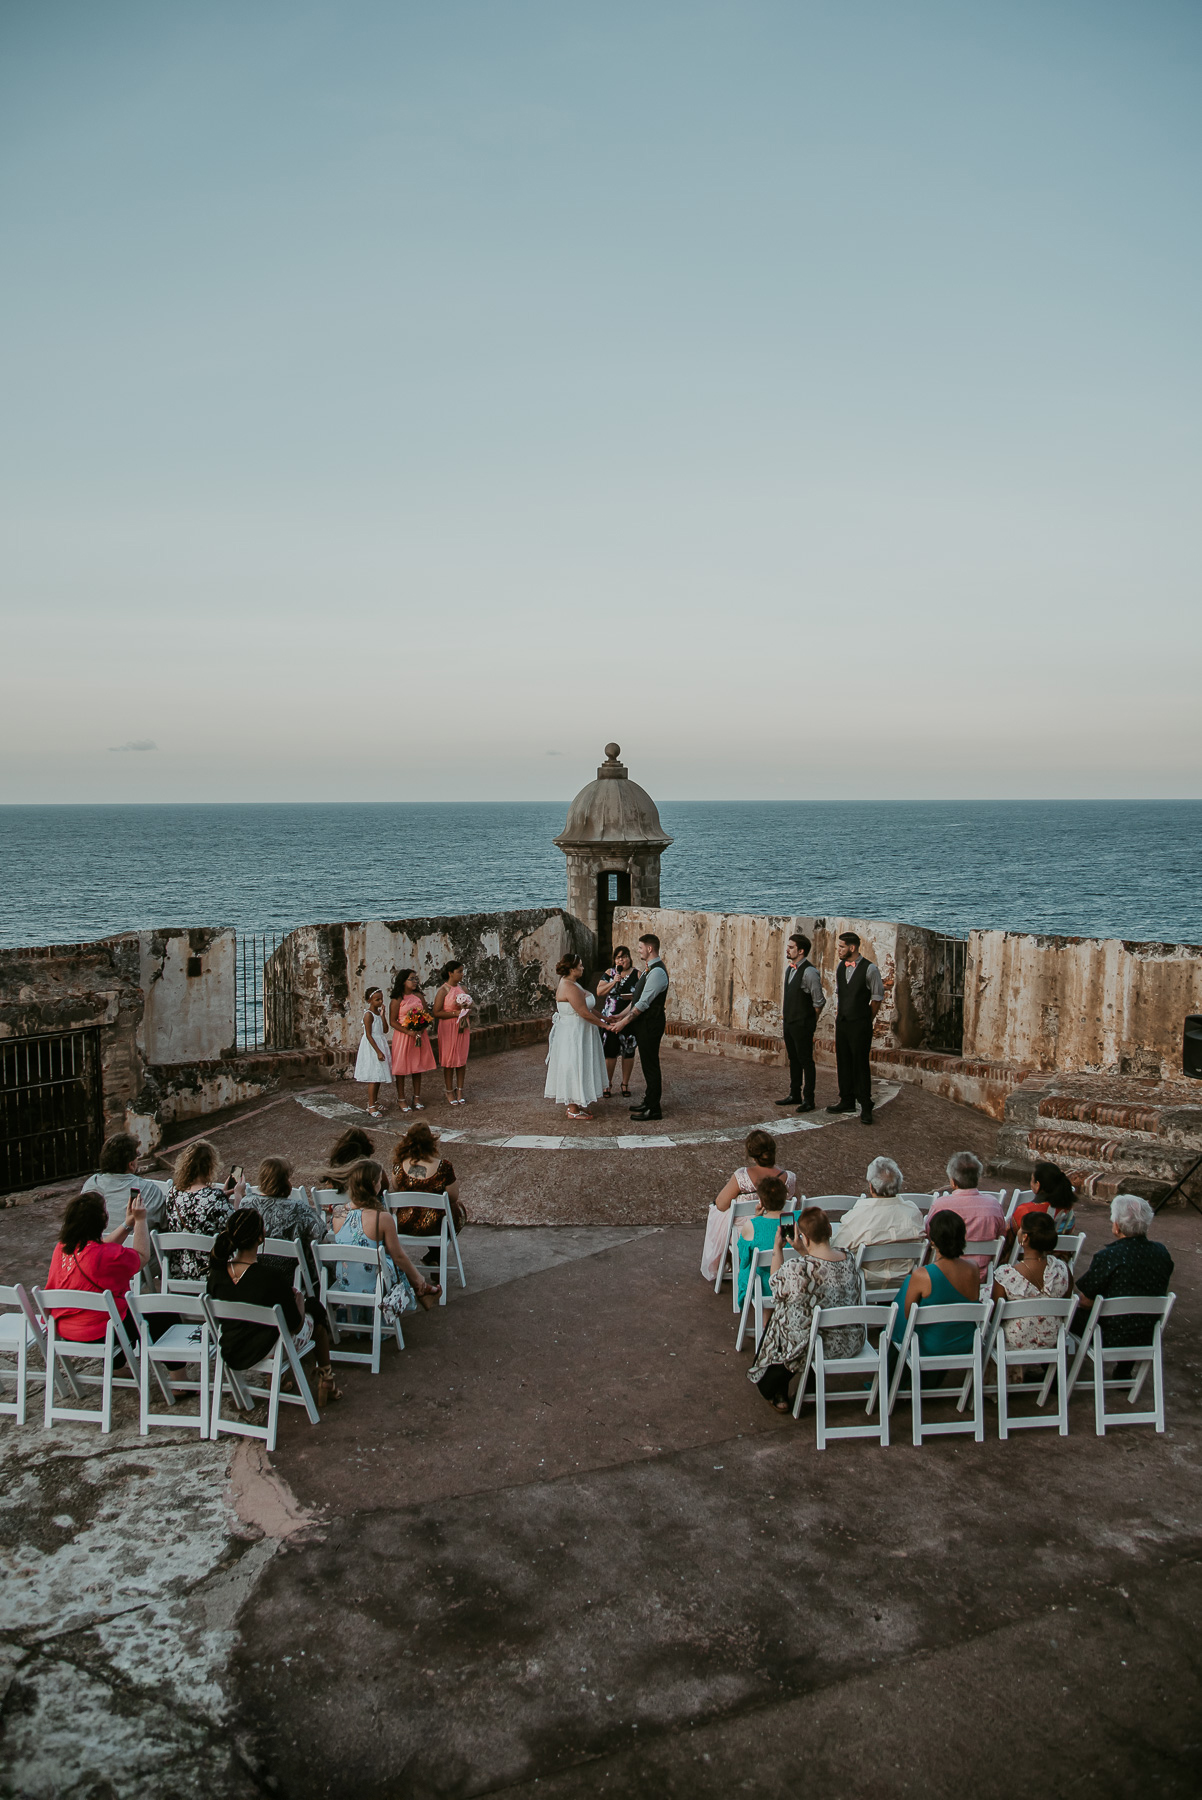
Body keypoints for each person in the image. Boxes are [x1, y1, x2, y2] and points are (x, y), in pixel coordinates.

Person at [206, 1208, 342, 1408]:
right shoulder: (269, 1277)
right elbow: (295, 1325)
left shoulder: (216, 1275)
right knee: (315, 1311)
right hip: (265, 1349)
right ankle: (327, 1380)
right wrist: (299, 1303)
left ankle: (279, 1380)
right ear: (261, 1238)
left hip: (232, 1348)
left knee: (282, 1318)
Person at [747, 1206, 864, 1412]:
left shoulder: (798, 1269)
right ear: (829, 1230)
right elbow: (822, 1266)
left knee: (782, 1311)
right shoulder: (849, 1258)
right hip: (851, 1340)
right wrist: (804, 1250)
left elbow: (775, 1287)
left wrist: (778, 1248)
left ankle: (777, 1389)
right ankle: (807, 1385)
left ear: (805, 1238)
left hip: (818, 1346)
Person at [44, 1189, 151, 1364]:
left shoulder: (62, 1248)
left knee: (123, 1314)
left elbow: (97, 1252)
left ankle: (118, 1367)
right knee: (163, 1318)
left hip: (65, 1330)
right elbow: (141, 1257)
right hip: (100, 1332)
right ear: (101, 1220)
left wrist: (127, 1224)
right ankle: (179, 1381)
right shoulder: (104, 1256)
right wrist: (140, 1220)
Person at [1074, 1195, 1174, 1379]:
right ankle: (1123, 1371)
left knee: (1068, 1312)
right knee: (1134, 1307)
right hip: (1146, 1333)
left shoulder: (1108, 1256)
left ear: (1117, 1226)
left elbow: (1086, 1302)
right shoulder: (1161, 1253)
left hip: (1107, 1335)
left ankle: (1058, 1375)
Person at [330, 1159, 441, 1314]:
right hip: (374, 1284)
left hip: (346, 1280)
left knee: (384, 1256)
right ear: (374, 1185)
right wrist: (418, 1278)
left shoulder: (338, 1212)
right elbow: (399, 1257)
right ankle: (421, 1287)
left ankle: (422, 1289)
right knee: (393, 1259)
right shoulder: (381, 1217)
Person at [890, 1207, 981, 1373]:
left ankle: (892, 1369)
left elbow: (908, 1315)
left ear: (933, 1240)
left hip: (932, 1345)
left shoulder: (923, 1275)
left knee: (907, 1290)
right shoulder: (974, 1268)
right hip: (964, 1342)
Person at [701, 1130, 799, 1283]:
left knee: (716, 1211)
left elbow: (721, 1204)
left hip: (748, 1231)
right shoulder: (789, 1178)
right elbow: (796, 1204)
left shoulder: (742, 1176)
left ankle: (728, 1261)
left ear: (752, 1155)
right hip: (781, 1231)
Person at [992, 1211, 1073, 1369]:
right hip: (1052, 1339)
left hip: (1013, 1342)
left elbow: (994, 1316)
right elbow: (1066, 1302)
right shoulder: (1062, 1270)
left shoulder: (1006, 1276)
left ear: (1025, 1238)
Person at [832, 1157, 926, 1290]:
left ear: (871, 1187)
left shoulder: (858, 1216)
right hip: (905, 1284)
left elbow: (836, 1248)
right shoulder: (913, 1213)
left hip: (866, 1284)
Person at [609, 933, 670, 1121]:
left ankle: (654, 1109)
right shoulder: (649, 969)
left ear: (650, 949)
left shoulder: (658, 972)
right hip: (644, 1023)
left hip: (651, 1024)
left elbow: (643, 1003)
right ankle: (649, 1101)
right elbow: (637, 999)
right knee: (646, 1063)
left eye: (640, 947)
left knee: (651, 1065)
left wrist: (623, 1022)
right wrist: (619, 1015)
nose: (638, 950)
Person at [164, 1140, 245, 1283]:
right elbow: (237, 1227)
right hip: (209, 1273)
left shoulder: (172, 1193)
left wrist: (221, 1195)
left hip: (180, 1271)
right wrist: (238, 1195)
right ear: (210, 1167)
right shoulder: (214, 1198)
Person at [825, 931, 884, 1125]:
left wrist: (866, 1019)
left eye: (841, 947)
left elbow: (877, 998)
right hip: (843, 1022)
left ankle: (866, 1104)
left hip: (860, 1024)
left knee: (860, 1064)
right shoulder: (841, 967)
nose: (838, 950)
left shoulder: (870, 969)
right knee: (843, 1061)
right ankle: (847, 1100)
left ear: (852, 947)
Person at [544, 952, 606, 1121]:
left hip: (580, 1031)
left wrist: (605, 1018)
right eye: (580, 966)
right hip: (574, 1034)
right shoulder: (569, 987)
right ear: (572, 969)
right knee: (573, 1064)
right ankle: (572, 1108)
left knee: (580, 1063)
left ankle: (576, 1104)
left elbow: (589, 1008)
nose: (583, 968)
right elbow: (584, 1012)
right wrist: (605, 1026)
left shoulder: (573, 983)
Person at [390, 1123, 466, 1258]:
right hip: (434, 1226)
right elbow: (453, 1196)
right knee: (458, 1208)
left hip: (404, 1224)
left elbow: (396, 1188)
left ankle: (434, 1257)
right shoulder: (443, 1167)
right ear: (431, 1141)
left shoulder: (398, 1167)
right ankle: (435, 1256)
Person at [252, 1156, 331, 1283]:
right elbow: (321, 1237)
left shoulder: (247, 1203)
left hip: (257, 1270)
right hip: (292, 1277)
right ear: (285, 1181)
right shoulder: (298, 1208)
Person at [926, 1152, 1007, 1273]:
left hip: (946, 1275)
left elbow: (929, 1235)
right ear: (978, 1178)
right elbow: (1001, 1235)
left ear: (953, 1182)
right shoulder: (993, 1205)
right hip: (982, 1276)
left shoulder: (941, 1205)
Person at [776, 933, 825, 1113]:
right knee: (793, 1059)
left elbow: (818, 1001)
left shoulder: (809, 972)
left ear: (801, 951)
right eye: (788, 947)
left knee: (806, 1061)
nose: (787, 950)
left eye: (791, 947)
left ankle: (809, 1099)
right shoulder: (791, 968)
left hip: (802, 1023)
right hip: (789, 1022)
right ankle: (794, 1093)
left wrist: (810, 1020)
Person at [82, 1132, 168, 1233]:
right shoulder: (150, 1190)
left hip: (100, 1246)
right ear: (131, 1164)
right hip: (137, 1247)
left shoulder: (92, 1183)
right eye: (137, 1154)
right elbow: (165, 1225)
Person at [734, 1175, 790, 1308]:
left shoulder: (753, 1224)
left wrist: (756, 1218)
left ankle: (765, 1320)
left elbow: (744, 1256)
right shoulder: (789, 1220)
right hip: (787, 1280)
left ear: (761, 1201)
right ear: (784, 1199)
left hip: (762, 1285)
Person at [596, 945, 641, 1098]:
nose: (621, 959)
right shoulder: (610, 973)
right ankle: (607, 1084)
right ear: (614, 960)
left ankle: (625, 1084)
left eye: (624, 956)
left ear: (629, 957)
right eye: (618, 957)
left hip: (629, 1017)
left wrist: (625, 1015)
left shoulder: (637, 974)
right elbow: (599, 992)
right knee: (610, 1052)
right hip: (610, 1018)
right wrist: (613, 981)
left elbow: (639, 998)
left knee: (628, 1051)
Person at [389, 969, 435, 1112]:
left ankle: (416, 1097)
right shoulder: (398, 999)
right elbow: (392, 1021)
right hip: (404, 1035)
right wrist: (408, 1031)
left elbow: (427, 1014)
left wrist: (421, 1027)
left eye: (416, 979)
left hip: (419, 1035)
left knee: (417, 1066)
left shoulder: (419, 996)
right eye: (411, 979)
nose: (415, 982)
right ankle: (401, 1098)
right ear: (403, 981)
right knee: (402, 1068)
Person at [433, 960, 476, 1107]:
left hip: (462, 1026)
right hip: (448, 1027)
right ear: (451, 973)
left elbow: (471, 1006)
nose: (462, 974)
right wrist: (455, 1013)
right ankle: (449, 1090)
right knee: (449, 1060)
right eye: (459, 971)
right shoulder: (443, 990)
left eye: (462, 971)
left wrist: (467, 1008)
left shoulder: (462, 988)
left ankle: (460, 1090)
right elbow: (436, 1012)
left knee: (461, 1059)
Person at [353, 986, 391, 1118]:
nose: (380, 1002)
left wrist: (383, 1015)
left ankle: (375, 1101)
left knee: (379, 1076)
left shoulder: (378, 1014)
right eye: (377, 1000)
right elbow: (368, 1035)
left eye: (381, 999)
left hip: (380, 1042)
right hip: (372, 1046)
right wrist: (378, 1051)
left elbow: (385, 1030)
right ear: (370, 1000)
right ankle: (370, 1105)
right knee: (374, 1077)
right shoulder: (368, 1015)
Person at [1011, 1161, 1077, 1236]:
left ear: (1038, 1185)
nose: (1031, 1184)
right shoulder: (1068, 1209)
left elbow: (1010, 1239)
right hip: (1059, 1247)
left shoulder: (1025, 1210)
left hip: (1031, 1247)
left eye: (1032, 1180)